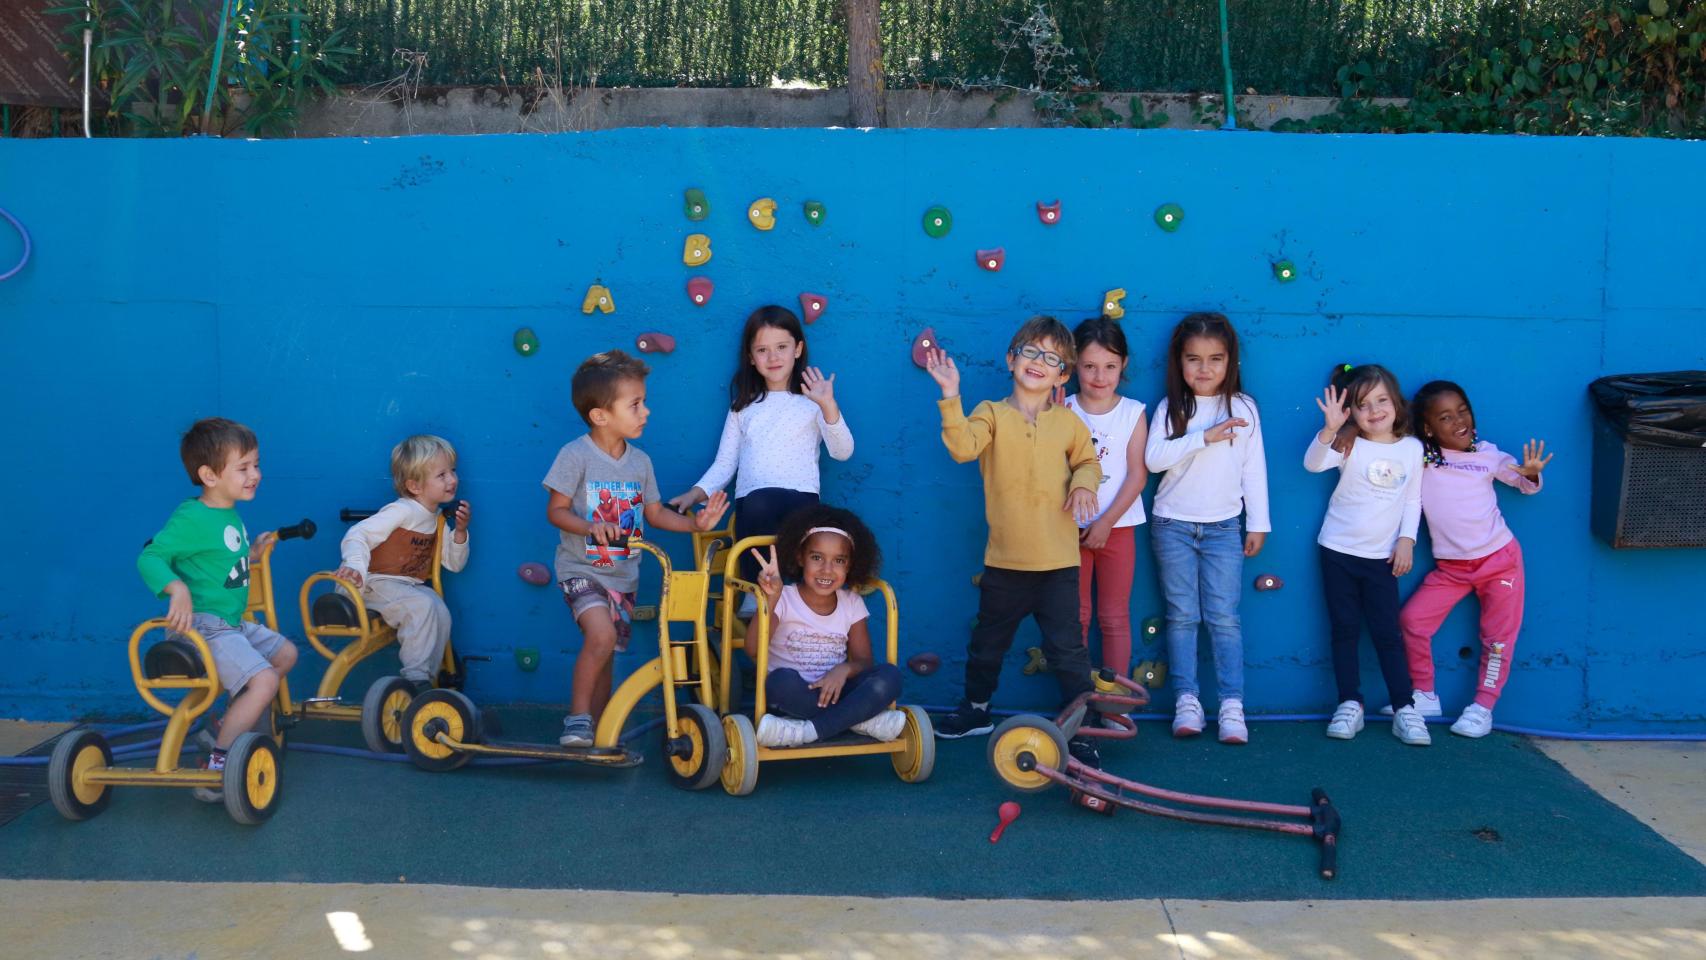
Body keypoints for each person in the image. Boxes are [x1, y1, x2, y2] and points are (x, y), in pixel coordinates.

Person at [925, 316, 1104, 767]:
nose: (1038, 362)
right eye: (1029, 351)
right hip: (1005, 564)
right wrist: (951, 396)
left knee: (1068, 651)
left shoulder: (1068, 422)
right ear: (1011, 358)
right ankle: (977, 711)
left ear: (1063, 374)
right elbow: (963, 447)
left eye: (1051, 358)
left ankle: (1081, 727)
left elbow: (1088, 463)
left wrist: (1085, 485)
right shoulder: (990, 412)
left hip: (1059, 564)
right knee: (987, 644)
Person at [545, 349, 729, 746]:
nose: (646, 412)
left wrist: (695, 525)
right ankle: (577, 720)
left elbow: (657, 514)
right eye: (636, 404)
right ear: (601, 415)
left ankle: (598, 728)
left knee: (607, 649)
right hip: (581, 571)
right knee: (600, 637)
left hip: (623, 577)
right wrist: (592, 527)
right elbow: (556, 512)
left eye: (643, 402)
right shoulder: (575, 455)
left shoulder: (640, 462)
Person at [137, 417, 298, 802]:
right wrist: (176, 589)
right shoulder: (192, 517)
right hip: (202, 628)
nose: (255, 475)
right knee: (264, 682)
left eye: (256, 465)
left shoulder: (229, 514)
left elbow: (220, 560)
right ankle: (218, 763)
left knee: (286, 654)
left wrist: (253, 553)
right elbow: (150, 557)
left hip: (231, 625)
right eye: (243, 468)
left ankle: (224, 725)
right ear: (209, 475)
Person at [667, 305, 853, 614]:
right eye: (762, 350)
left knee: (808, 520)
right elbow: (725, 464)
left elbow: (843, 451)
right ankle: (756, 591)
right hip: (755, 506)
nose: (773, 357)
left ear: (798, 349)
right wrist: (693, 494)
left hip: (802, 502)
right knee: (759, 503)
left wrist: (828, 405)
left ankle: (795, 599)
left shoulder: (813, 402)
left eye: (782, 347)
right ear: (751, 358)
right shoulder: (744, 407)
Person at [1394, 380, 1550, 738]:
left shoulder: (1487, 453)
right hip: (1451, 568)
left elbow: (1522, 482)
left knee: (1497, 639)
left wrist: (1531, 473)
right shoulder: (1421, 457)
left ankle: (1482, 707)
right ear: (1429, 427)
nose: (1458, 421)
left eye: (1462, 410)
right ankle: (1425, 694)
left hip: (1500, 561)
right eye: (1446, 417)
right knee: (1412, 620)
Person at [1144, 312, 1270, 744]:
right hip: (1172, 524)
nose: (1204, 369)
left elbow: (1254, 470)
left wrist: (1259, 522)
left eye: (1215, 359)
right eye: (1194, 359)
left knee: (1224, 618)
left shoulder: (1245, 408)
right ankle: (1187, 701)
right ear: (1179, 362)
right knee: (1181, 616)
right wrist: (1204, 436)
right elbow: (1153, 460)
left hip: (1222, 529)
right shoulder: (1171, 408)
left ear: (1231, 361)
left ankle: (1232, 706)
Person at [1304, 364, 1429, 746]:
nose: (1374, 411)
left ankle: (1404, 708)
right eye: (1362, 405)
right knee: (1344, 630)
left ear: (1396, 403)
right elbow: (1313, 464)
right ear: (1352, 412)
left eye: (1381, 401)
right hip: (1338, 552)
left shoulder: (1411, 448)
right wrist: (1330, 428)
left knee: (1387, 634)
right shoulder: (1349, 443)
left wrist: (1407, 540)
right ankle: (1350, 704)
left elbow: (1413, 498)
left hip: (1382, 560)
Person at [744, 504, 907, 747]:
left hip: (838, 693)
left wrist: (842, 671)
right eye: (817, 557)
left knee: (890, 675)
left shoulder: (851, 602)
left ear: (850, 565)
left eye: (839, 560)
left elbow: (863, 662)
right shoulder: (784, 598)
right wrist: (770, 598)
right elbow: (753, 651)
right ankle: (856, 721)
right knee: (780, 681)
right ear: (800, 557)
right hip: (796, 696)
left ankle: (808, 731)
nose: (827, 570)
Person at [334, 434, 470, 694]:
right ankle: (415, 681)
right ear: (415, 486)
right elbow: (358, 534)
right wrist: (355, 567)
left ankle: (427, 680)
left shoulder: (436, 517)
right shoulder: (403, 511)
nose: (452, 480)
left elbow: (453, 564)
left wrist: (460, 533)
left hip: (402, 586)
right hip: (370, 583)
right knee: (422, 605)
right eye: (441, 475)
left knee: (439, 610)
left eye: (452, 471)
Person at [1062, 316, 1148, 682]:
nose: (1100, 376)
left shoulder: (1132, 413)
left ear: (1123, 365)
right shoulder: (1063, 410)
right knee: (1075, 616)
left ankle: (1115, 706)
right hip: (1067, 531)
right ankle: (1079, 700)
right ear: (1073, 365)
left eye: (1110, 366)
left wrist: (1106, 522)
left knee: (1113, 618)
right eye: (1090, 366)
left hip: (1119, 527)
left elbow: (1137, 474)